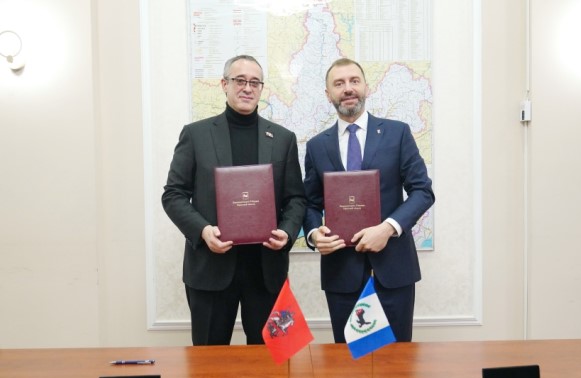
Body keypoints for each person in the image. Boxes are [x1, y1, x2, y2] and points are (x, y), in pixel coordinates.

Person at [162, 55, 306, 345]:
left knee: (272, 361)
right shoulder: (196, 135)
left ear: (261, 88)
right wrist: (203, 231)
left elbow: (296, 199)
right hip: (210, 269)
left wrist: (287, 232)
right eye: (240, 80)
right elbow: (173, 194)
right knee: (209, 363)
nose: (247, 88)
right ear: (224, 84)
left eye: (254, 82)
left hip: (266, 272)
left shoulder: (283, 138)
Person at [303, 58, 435, 343]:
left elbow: (422, 191)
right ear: (328, 94)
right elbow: (311, 203)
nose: (348, 89)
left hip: (393, 271)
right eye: (339, 83)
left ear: (366, 87)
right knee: (349, 363)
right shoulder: (316, 146)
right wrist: (314, 234)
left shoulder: (398, 133)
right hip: (341, 274)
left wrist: (387, 229)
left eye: (354, 81)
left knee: (396, 363)